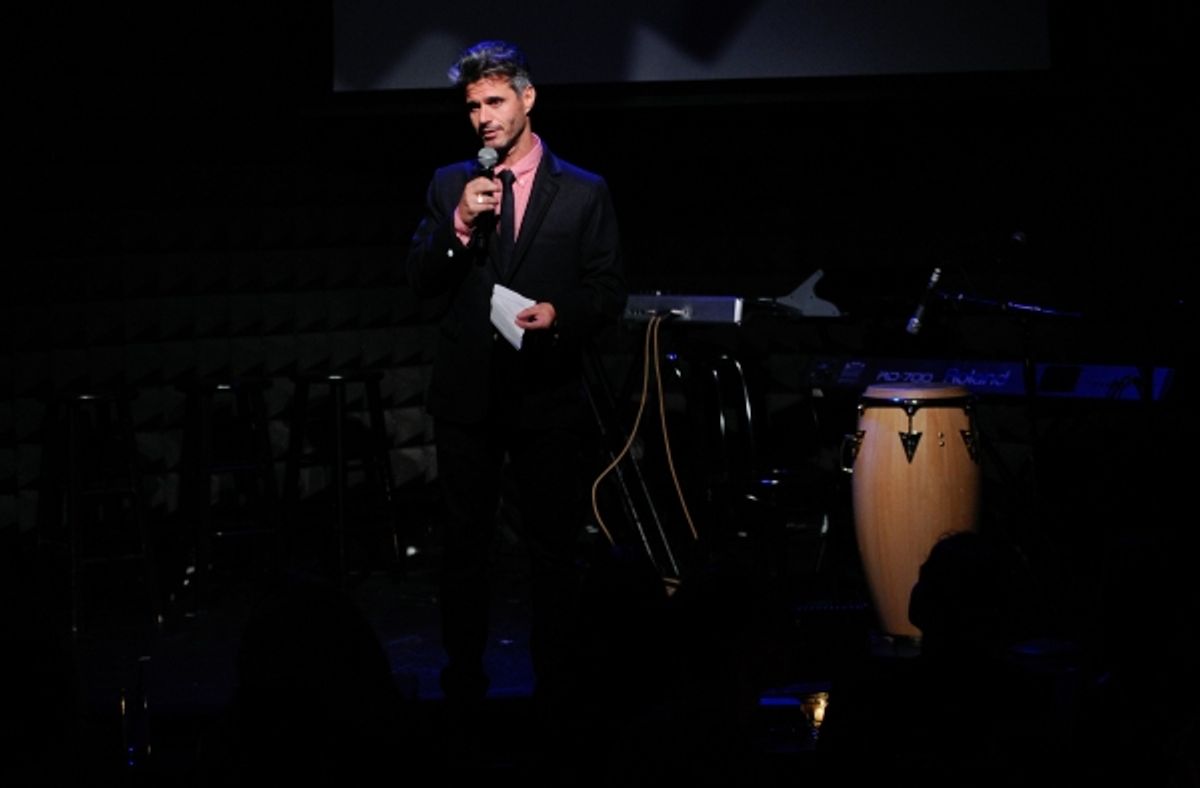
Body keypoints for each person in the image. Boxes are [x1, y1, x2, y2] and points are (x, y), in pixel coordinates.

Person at [404, 39, 626, 737]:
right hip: (468, 396)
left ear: (528, 100)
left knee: (552, 548)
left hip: (546, 391)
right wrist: (461, 224)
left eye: (495, 101)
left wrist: (561, 315)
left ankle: (556, 682)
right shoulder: (449, 186)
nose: (482, 118)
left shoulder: (585, 190)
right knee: (465, 546)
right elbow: (421, 282)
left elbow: (608, 289)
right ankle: (462, 678)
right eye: (472, 107)